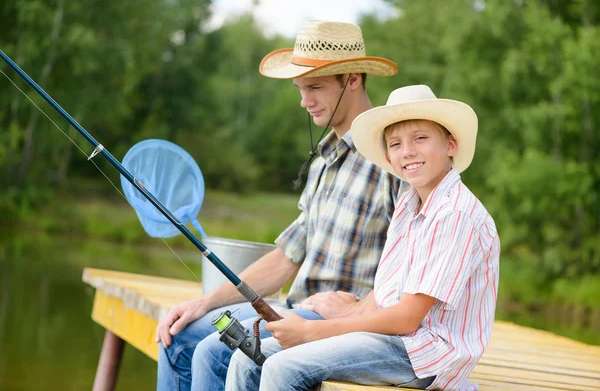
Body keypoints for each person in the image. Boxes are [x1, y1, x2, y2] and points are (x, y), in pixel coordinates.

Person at [156, 20, 403, 391]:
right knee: (181, 334)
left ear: (352, 79)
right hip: (293, 309)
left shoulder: (392, 157)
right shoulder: (323, 163)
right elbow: (287, 256)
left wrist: (356, 310)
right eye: (300, 89)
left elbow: (415, 261)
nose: (305, 101)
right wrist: (204, 302)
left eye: (315, 87)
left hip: (344, 325)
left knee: (215, 350)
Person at [225, 84, 501, 391]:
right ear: (387, 155)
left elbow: (408, 318)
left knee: (282, 367)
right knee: (248, 357)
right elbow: (389, 293)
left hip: (425, 355)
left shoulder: (454, 213)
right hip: (393, 341)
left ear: (450, 144)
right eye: (395, 144)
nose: (407, 151)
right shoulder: (411, 204)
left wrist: (312, 332)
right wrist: (345, 313)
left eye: (420, 138)